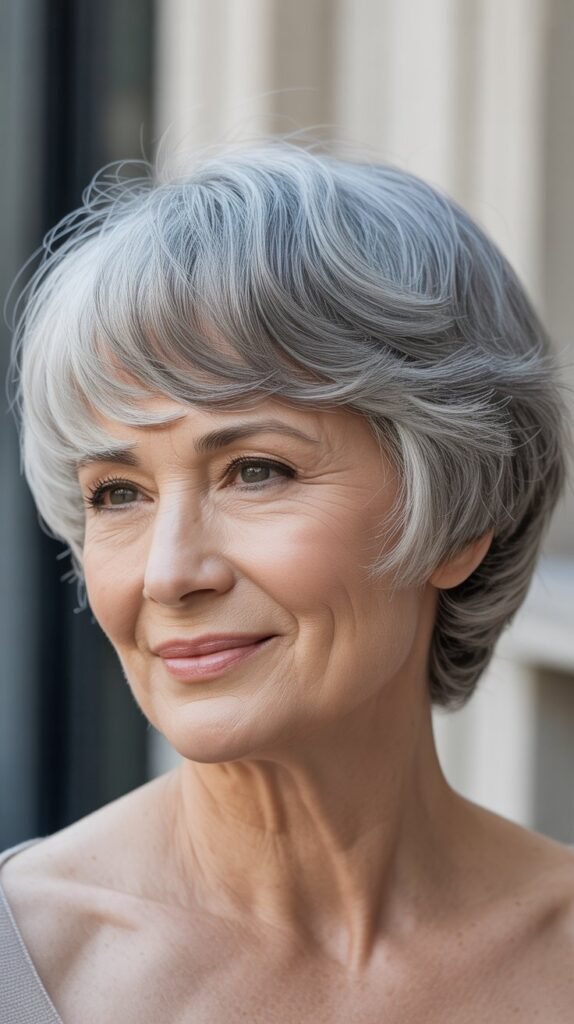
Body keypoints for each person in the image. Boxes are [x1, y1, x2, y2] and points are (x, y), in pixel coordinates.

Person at [1, 141, 573, 1023]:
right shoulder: (28, 961)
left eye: (255, 471)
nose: (169, 574)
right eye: (120, 494)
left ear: (459, 516)